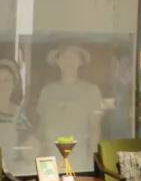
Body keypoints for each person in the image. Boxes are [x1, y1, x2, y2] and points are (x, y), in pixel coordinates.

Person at [36, 44, 103, 172]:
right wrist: (38, 153)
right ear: (57, 61)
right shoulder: (47, 91)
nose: (69, 61)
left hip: (79, 157)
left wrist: (92, 161)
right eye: (64, 57)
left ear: (80, 61)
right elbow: (41, 127)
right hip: (50, 157)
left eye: (73, 57)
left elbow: (95, 129)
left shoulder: (91, 91)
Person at [0, 59, 38, 171]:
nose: (1, 84)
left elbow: (31, 144)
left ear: (13, 84)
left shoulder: (19, 114)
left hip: (10, 171)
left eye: (6, 80)